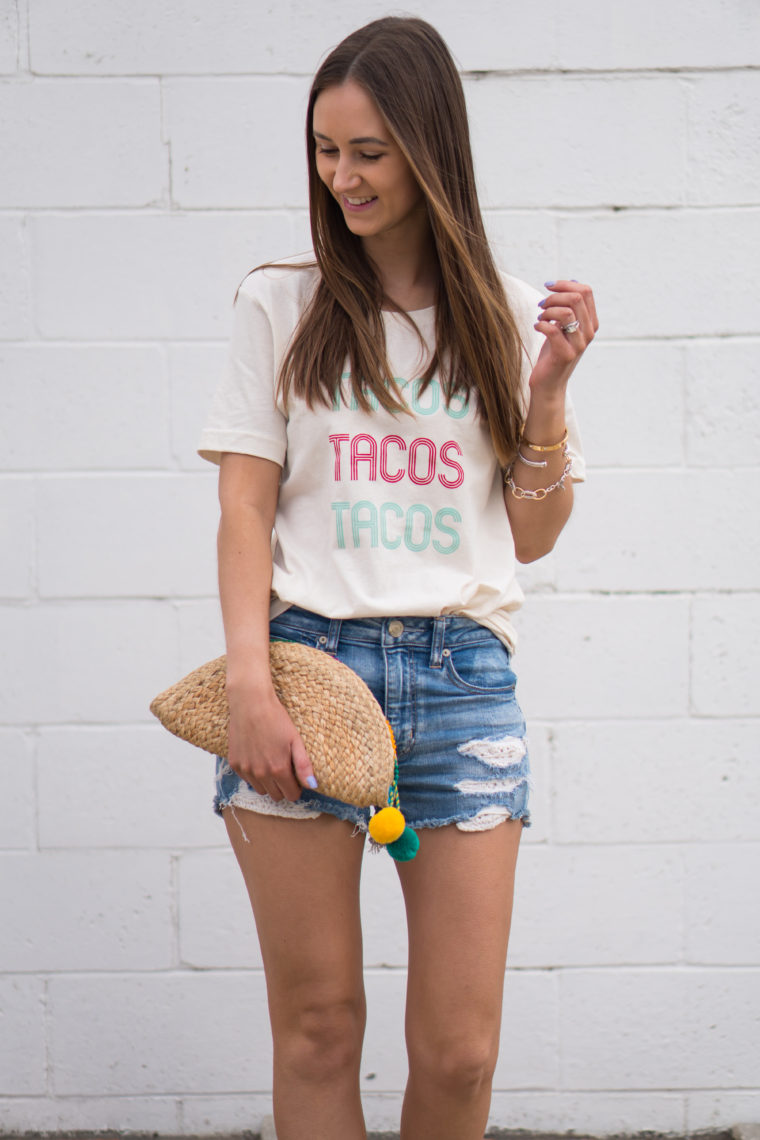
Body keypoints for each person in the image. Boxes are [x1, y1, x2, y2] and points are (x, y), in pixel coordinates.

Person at [197, 16, 597, 1140]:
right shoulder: (278, 305)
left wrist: (551, 395)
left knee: (461, 1054)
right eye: (327, 151)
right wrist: (248, 687)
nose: (344, 177)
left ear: (429, 147)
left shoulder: (510, 315)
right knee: (318, 1027)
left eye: (369, 151)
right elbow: (242, 507)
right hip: (306, 667)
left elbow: (535, 533)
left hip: (463, 679)